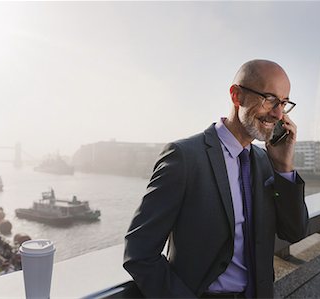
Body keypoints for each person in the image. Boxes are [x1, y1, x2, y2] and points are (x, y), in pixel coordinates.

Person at [123, 59, 309, 298]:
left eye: (283, 103)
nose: (278, 113)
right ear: (237, 96)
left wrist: (284, 166)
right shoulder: (184, 158)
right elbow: (139, 251)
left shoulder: (266, 162)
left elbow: (294, 232)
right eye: (270, 99)